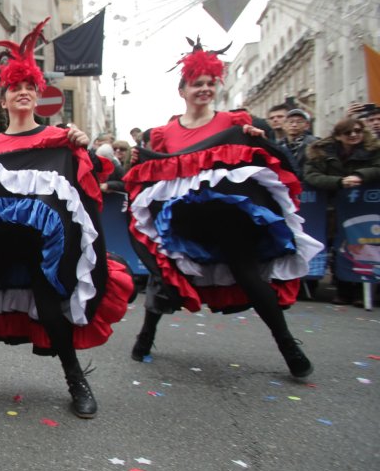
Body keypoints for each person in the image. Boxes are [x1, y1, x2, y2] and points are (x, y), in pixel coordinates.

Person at [0, 19, 132, 418]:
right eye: (14, 88)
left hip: (41, 248)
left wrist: (82, 149)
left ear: (38, 96)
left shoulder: (57, 140)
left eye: (28, 88)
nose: (22, 93)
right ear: (2, 100)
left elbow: (85, 191)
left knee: (51, 309)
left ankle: (75, 379)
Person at [123, 40, 322, 379]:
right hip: (183, 221)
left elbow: (267, 161)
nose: (203, 89)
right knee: (166, 273)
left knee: (246, 271)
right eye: (196, 84)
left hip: (231, 217)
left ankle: (289, 345)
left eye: (209, 83)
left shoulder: (235, 122)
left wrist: (255, 139)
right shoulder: (164, 134)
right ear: (182, 90)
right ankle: (146, 336)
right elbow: (150, 175)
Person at [304, 117, 380, 306]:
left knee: (366, 247)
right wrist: (339, 182)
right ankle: (344, 289)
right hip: (330, 206)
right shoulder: (320, 152)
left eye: (358, 131)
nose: (354, 135)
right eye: (348, 132)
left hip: (363, 207)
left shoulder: (373, 149)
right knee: (338, 247)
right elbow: (311, 176)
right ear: (338, 136)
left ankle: (364, 292)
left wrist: (360, 176)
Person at [278, 108, 317, 178]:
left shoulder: (314, 144)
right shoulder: (279, 145)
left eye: (299, 122)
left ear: (307, 125)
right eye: (290, 122)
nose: (294, 125)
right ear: (283, 126)